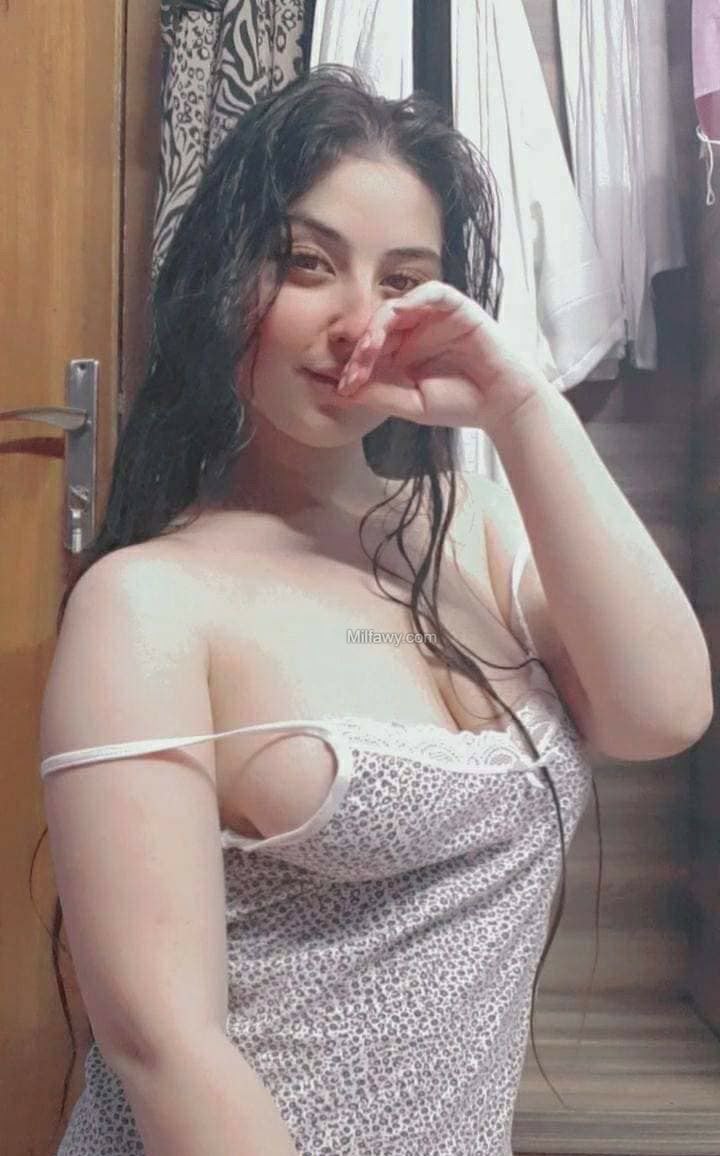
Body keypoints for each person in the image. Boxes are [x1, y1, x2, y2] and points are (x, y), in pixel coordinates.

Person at [35, 65, 712, 1156]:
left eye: (404, 280)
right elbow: (166, 1048)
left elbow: (662, 711)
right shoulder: (147, 604)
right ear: (225, 277)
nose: (359, 319)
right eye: (309, 263)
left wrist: (521, 405)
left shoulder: (477, 529)